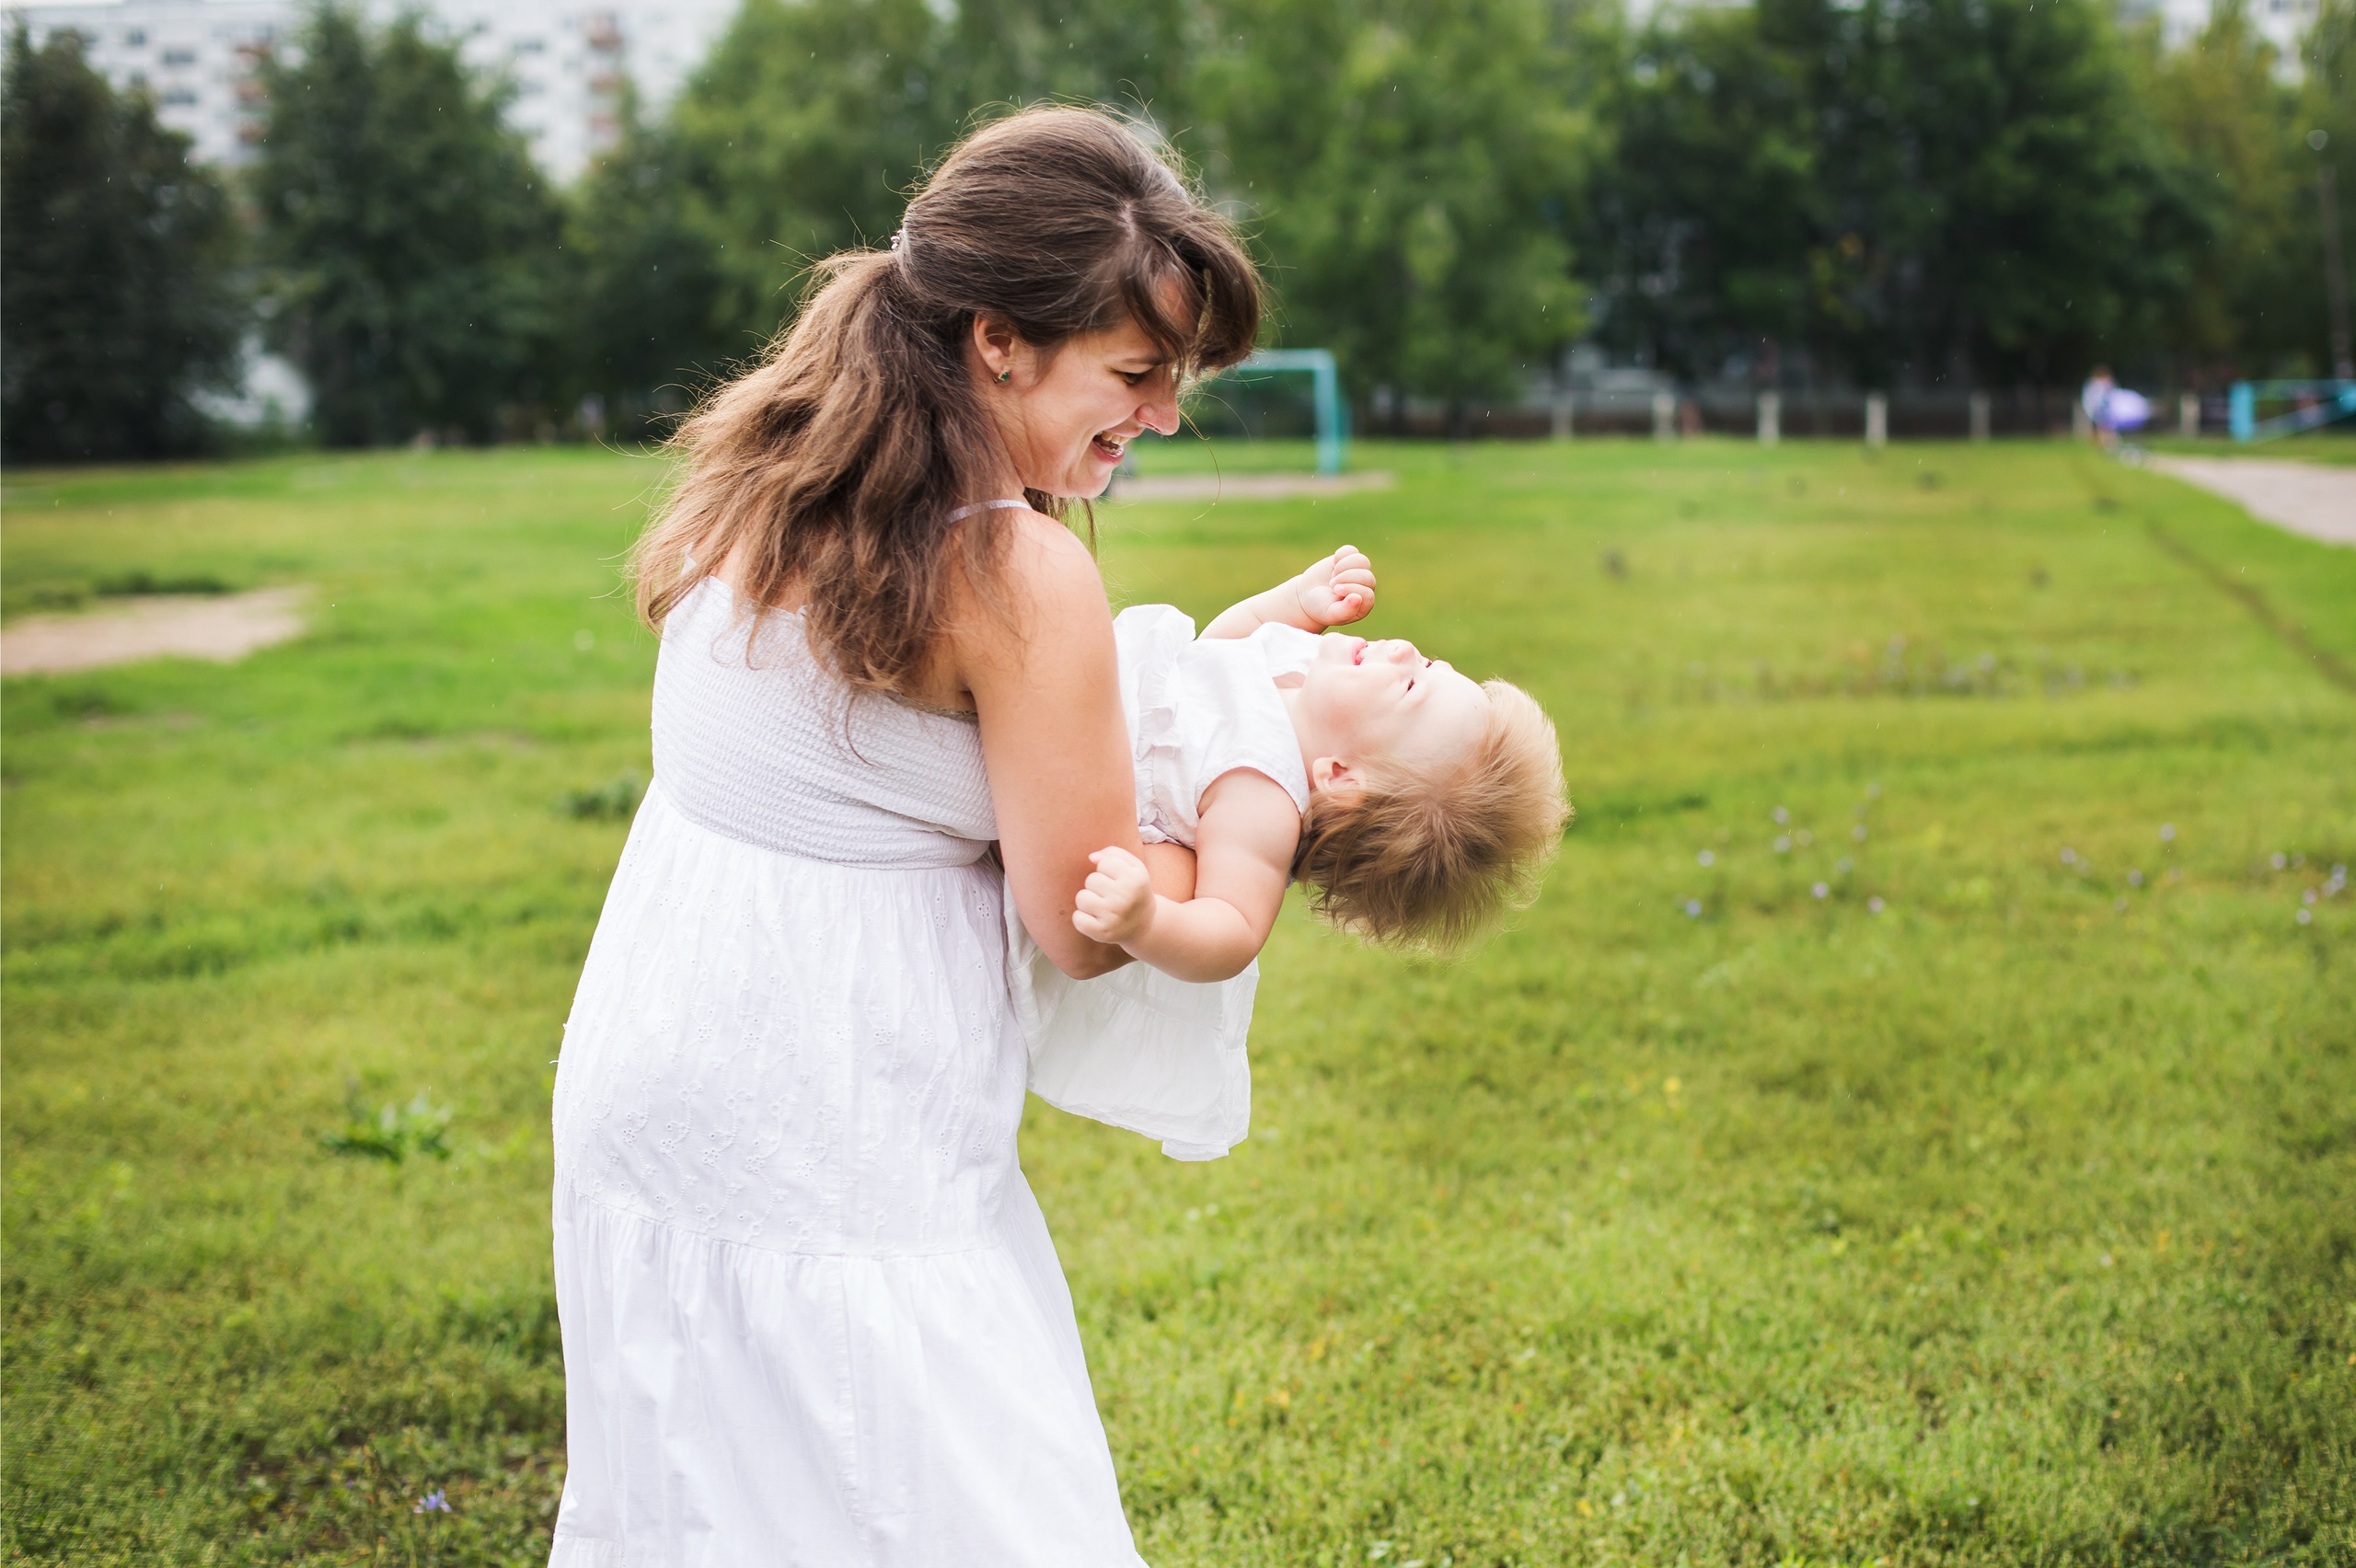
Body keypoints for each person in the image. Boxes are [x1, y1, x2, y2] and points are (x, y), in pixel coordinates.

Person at [545, 108, 1260, 1565]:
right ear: (1000, 341)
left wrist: (1225, 668)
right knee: (945, 1499)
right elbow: (1082, 917)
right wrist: (1257, 806)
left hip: (663, 1066)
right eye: (1136, 374)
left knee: (718, 1499)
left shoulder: (771, 474)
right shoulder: (1012, 567)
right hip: (833, 1115)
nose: (1163, 416)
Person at [1006, 548, 1566, 1164]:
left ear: (1342, 777)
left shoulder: (1263, 796)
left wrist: (1149, 921)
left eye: (1411, 686)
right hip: (1066, 683)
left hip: (1054, 768)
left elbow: (1234, 929)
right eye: (1431, 664)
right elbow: (1216, 651)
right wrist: (1296, 600)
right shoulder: (1297, 669)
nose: (1407, 649)